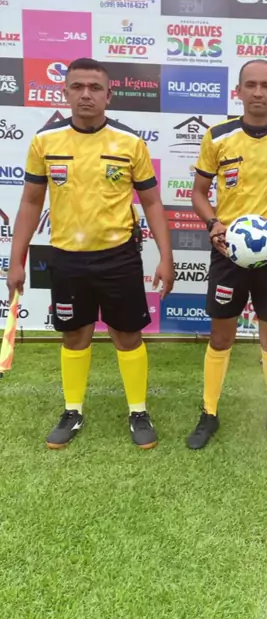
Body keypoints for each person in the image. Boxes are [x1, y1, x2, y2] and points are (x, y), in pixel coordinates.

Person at [7, 57, 174, 450]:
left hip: (119, 257)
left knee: (127, 335)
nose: (86, 94)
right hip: (67, 257)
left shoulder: (129, 142)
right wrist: (16, 259)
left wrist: (166, 257)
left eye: (95, 88)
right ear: (65, 93)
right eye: (78, 87)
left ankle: (138, 411)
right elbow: (30, 202)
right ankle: (72, 410)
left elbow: (152, 202)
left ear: (108, 95)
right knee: (74, 335)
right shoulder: (45, 141)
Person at [186, 59, 267, 450]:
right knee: (221, 335)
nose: (258, 92)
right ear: (238, 91)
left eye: (266, 85)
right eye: (251, 85)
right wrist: (213, 224)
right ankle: (209, 413)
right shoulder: (218, 137)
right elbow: (198, 194)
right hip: (228, 253)